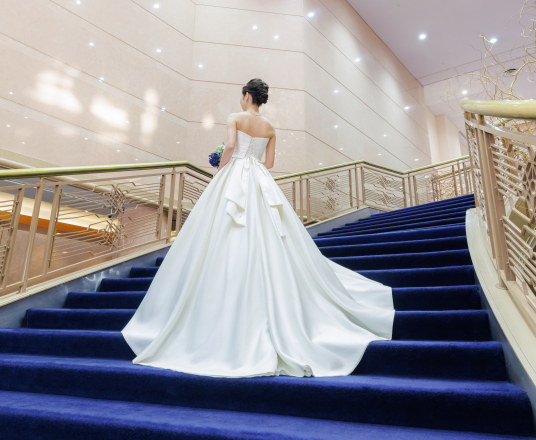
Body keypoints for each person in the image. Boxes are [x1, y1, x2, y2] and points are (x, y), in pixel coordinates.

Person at [122, 78, 394, 378]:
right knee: (270, 232)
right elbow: (270, 162)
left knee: (222, 229)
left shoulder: (234, 118)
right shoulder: (270, 128)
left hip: (234, 174)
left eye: (242, 96)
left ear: (246, 96)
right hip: (260, 179)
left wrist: (221, 166)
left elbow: (228, 146)